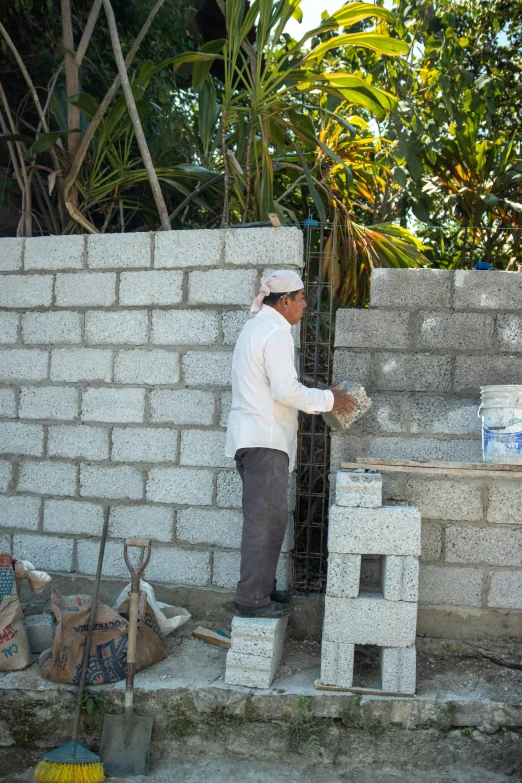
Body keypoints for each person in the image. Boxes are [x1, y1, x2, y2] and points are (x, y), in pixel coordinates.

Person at [225, 270, 357, 618]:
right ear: (284, 300)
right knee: (264, 522)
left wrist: (321, 392)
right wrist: (331, 399)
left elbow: (279, 383)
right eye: (300, 299)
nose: (304, 307)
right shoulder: (276, 332)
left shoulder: (256, 328)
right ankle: (252, 600)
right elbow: (285, 391)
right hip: (264, 441)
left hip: (254, 439)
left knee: (270, 519)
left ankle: (262, 592)